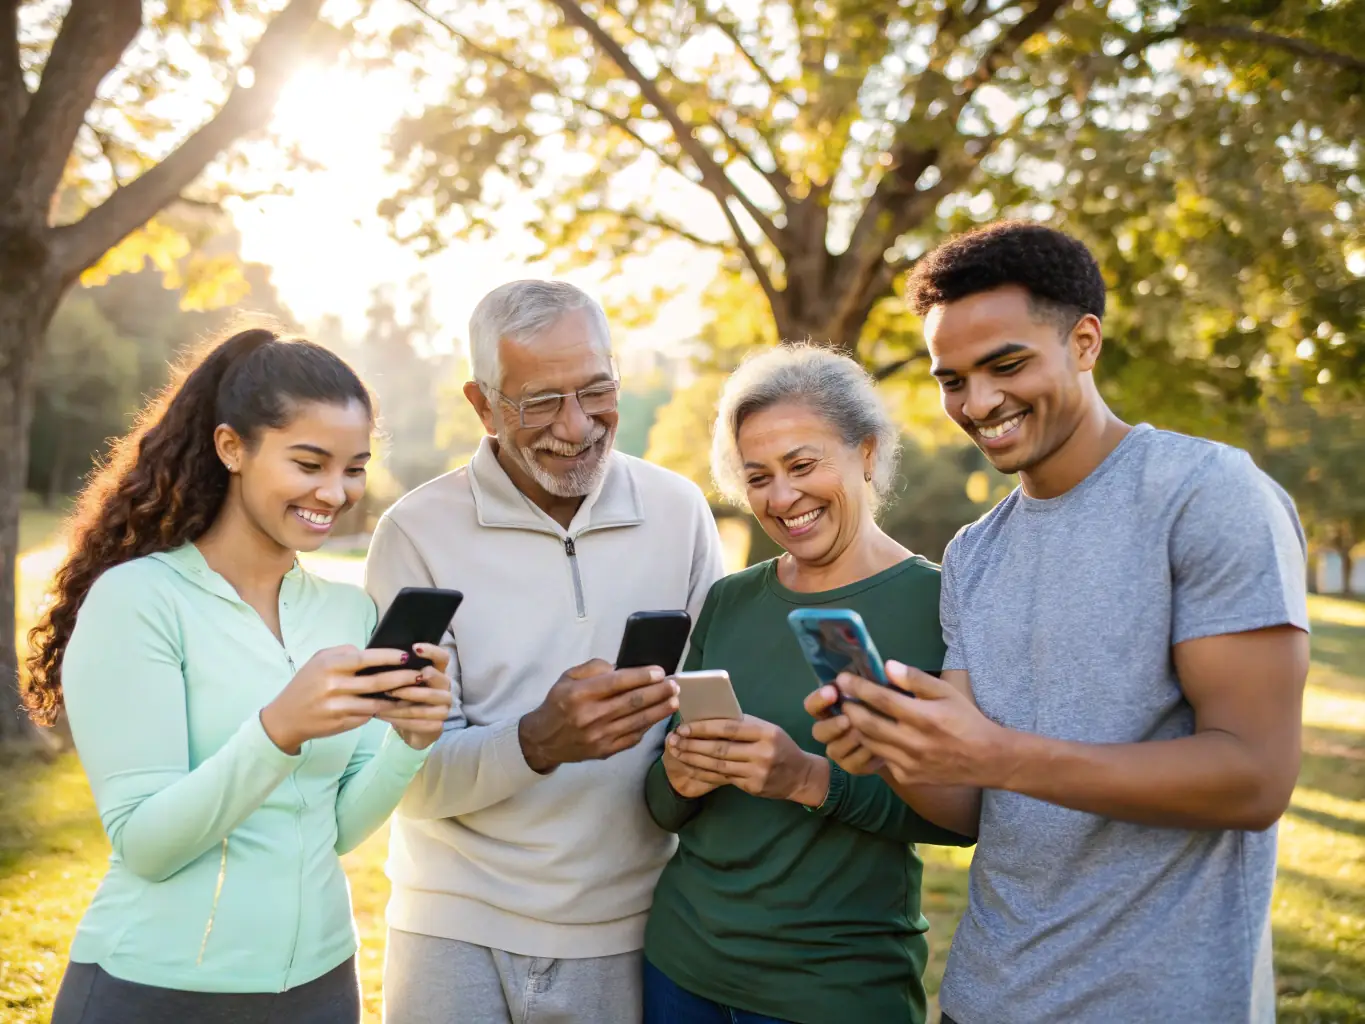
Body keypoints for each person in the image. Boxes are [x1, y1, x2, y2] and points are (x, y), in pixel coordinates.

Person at [810, 222, 1310, 1024]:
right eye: (952, 380)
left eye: (1005, 364)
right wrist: (896, 751)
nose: (977, 404)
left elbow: (1253, 778)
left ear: (1083, 341)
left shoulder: (1206, 494)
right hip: (982, 998)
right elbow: (971, 804)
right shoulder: (973, 552)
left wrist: (999, 755)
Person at [23, 327, 455, 1024]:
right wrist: (277, 729)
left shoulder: (347, 611)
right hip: (156, 991)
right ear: (232, 448)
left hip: (318, 986)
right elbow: (146, 844)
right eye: (309, 463)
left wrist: (409, 742)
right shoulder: (140, 600)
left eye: (353, 468)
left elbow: (334, 828)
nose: (335, 492)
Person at [364, 280, 726, 1024]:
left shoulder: (678, 512)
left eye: (597, 391)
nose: (577, 425)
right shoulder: (415, 533)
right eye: (539, 402)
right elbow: (396, 778)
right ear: (482, 405)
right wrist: (538, 741)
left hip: (634, 925)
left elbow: (709, 715)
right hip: (452, 927)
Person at [643, 345, 974, 1024]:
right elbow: (658, 807)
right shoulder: (729, 600)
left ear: (866, 454)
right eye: (757, 475)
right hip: (680, 970)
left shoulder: (940, 602)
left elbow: (963, 816)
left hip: (834, 990)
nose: (781, 497)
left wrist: (807, 779)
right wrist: (677, 775)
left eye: (801, 465)